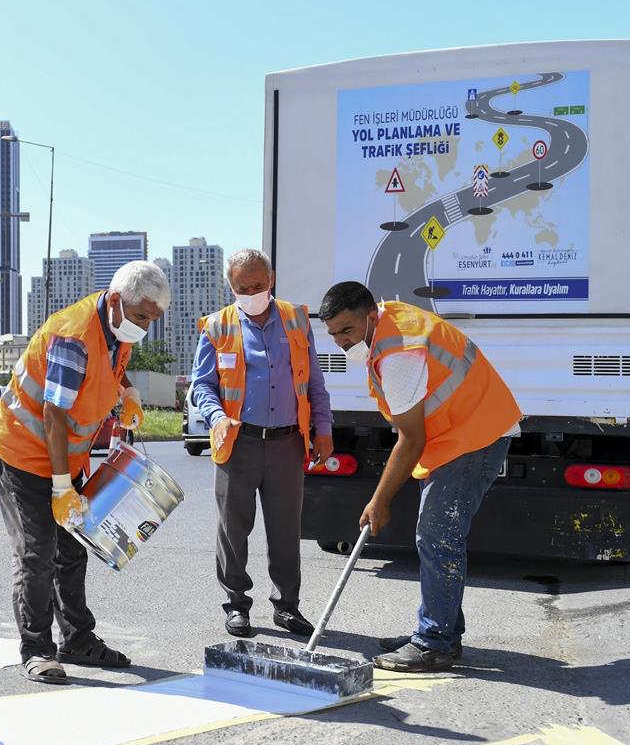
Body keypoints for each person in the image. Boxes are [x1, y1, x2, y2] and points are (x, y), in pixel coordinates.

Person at [318, 282, 521, 672]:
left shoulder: (399, 355)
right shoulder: (390, 322)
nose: (341, 341)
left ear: (370, 317)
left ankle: (434, 642)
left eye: (347, 330)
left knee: (437, 535)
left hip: (475, 436)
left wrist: (379, 501)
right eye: (334, 334)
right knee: (437, 535)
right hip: (463, 433)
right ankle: (440, 630)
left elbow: (410, 439)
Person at [0, 260, 169, 684]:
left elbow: (106, 376)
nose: (145, 327)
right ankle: (37, 649)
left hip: (62, 457)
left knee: (71, 550)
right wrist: (62, 486)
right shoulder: (74, 336)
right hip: (21, 451)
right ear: (118, 300)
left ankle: (77, 640)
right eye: (142, 317)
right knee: (37, 553)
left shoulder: (117, 328)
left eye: (152, 320)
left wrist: (128, 393)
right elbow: (53, 413)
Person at [192, 249, 334, 640]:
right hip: (238, 443)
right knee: (232, 530)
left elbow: (314, 384)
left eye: (258, 285)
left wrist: (323, 428)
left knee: (286, 530)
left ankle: (287, 607)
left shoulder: (295, 320)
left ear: (271, 279)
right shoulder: (217, 326)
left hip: (287, 443)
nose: (252, 292)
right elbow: (201, 386)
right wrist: (217, 417)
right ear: (231, 286)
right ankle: (236, 605)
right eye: (243, 287)